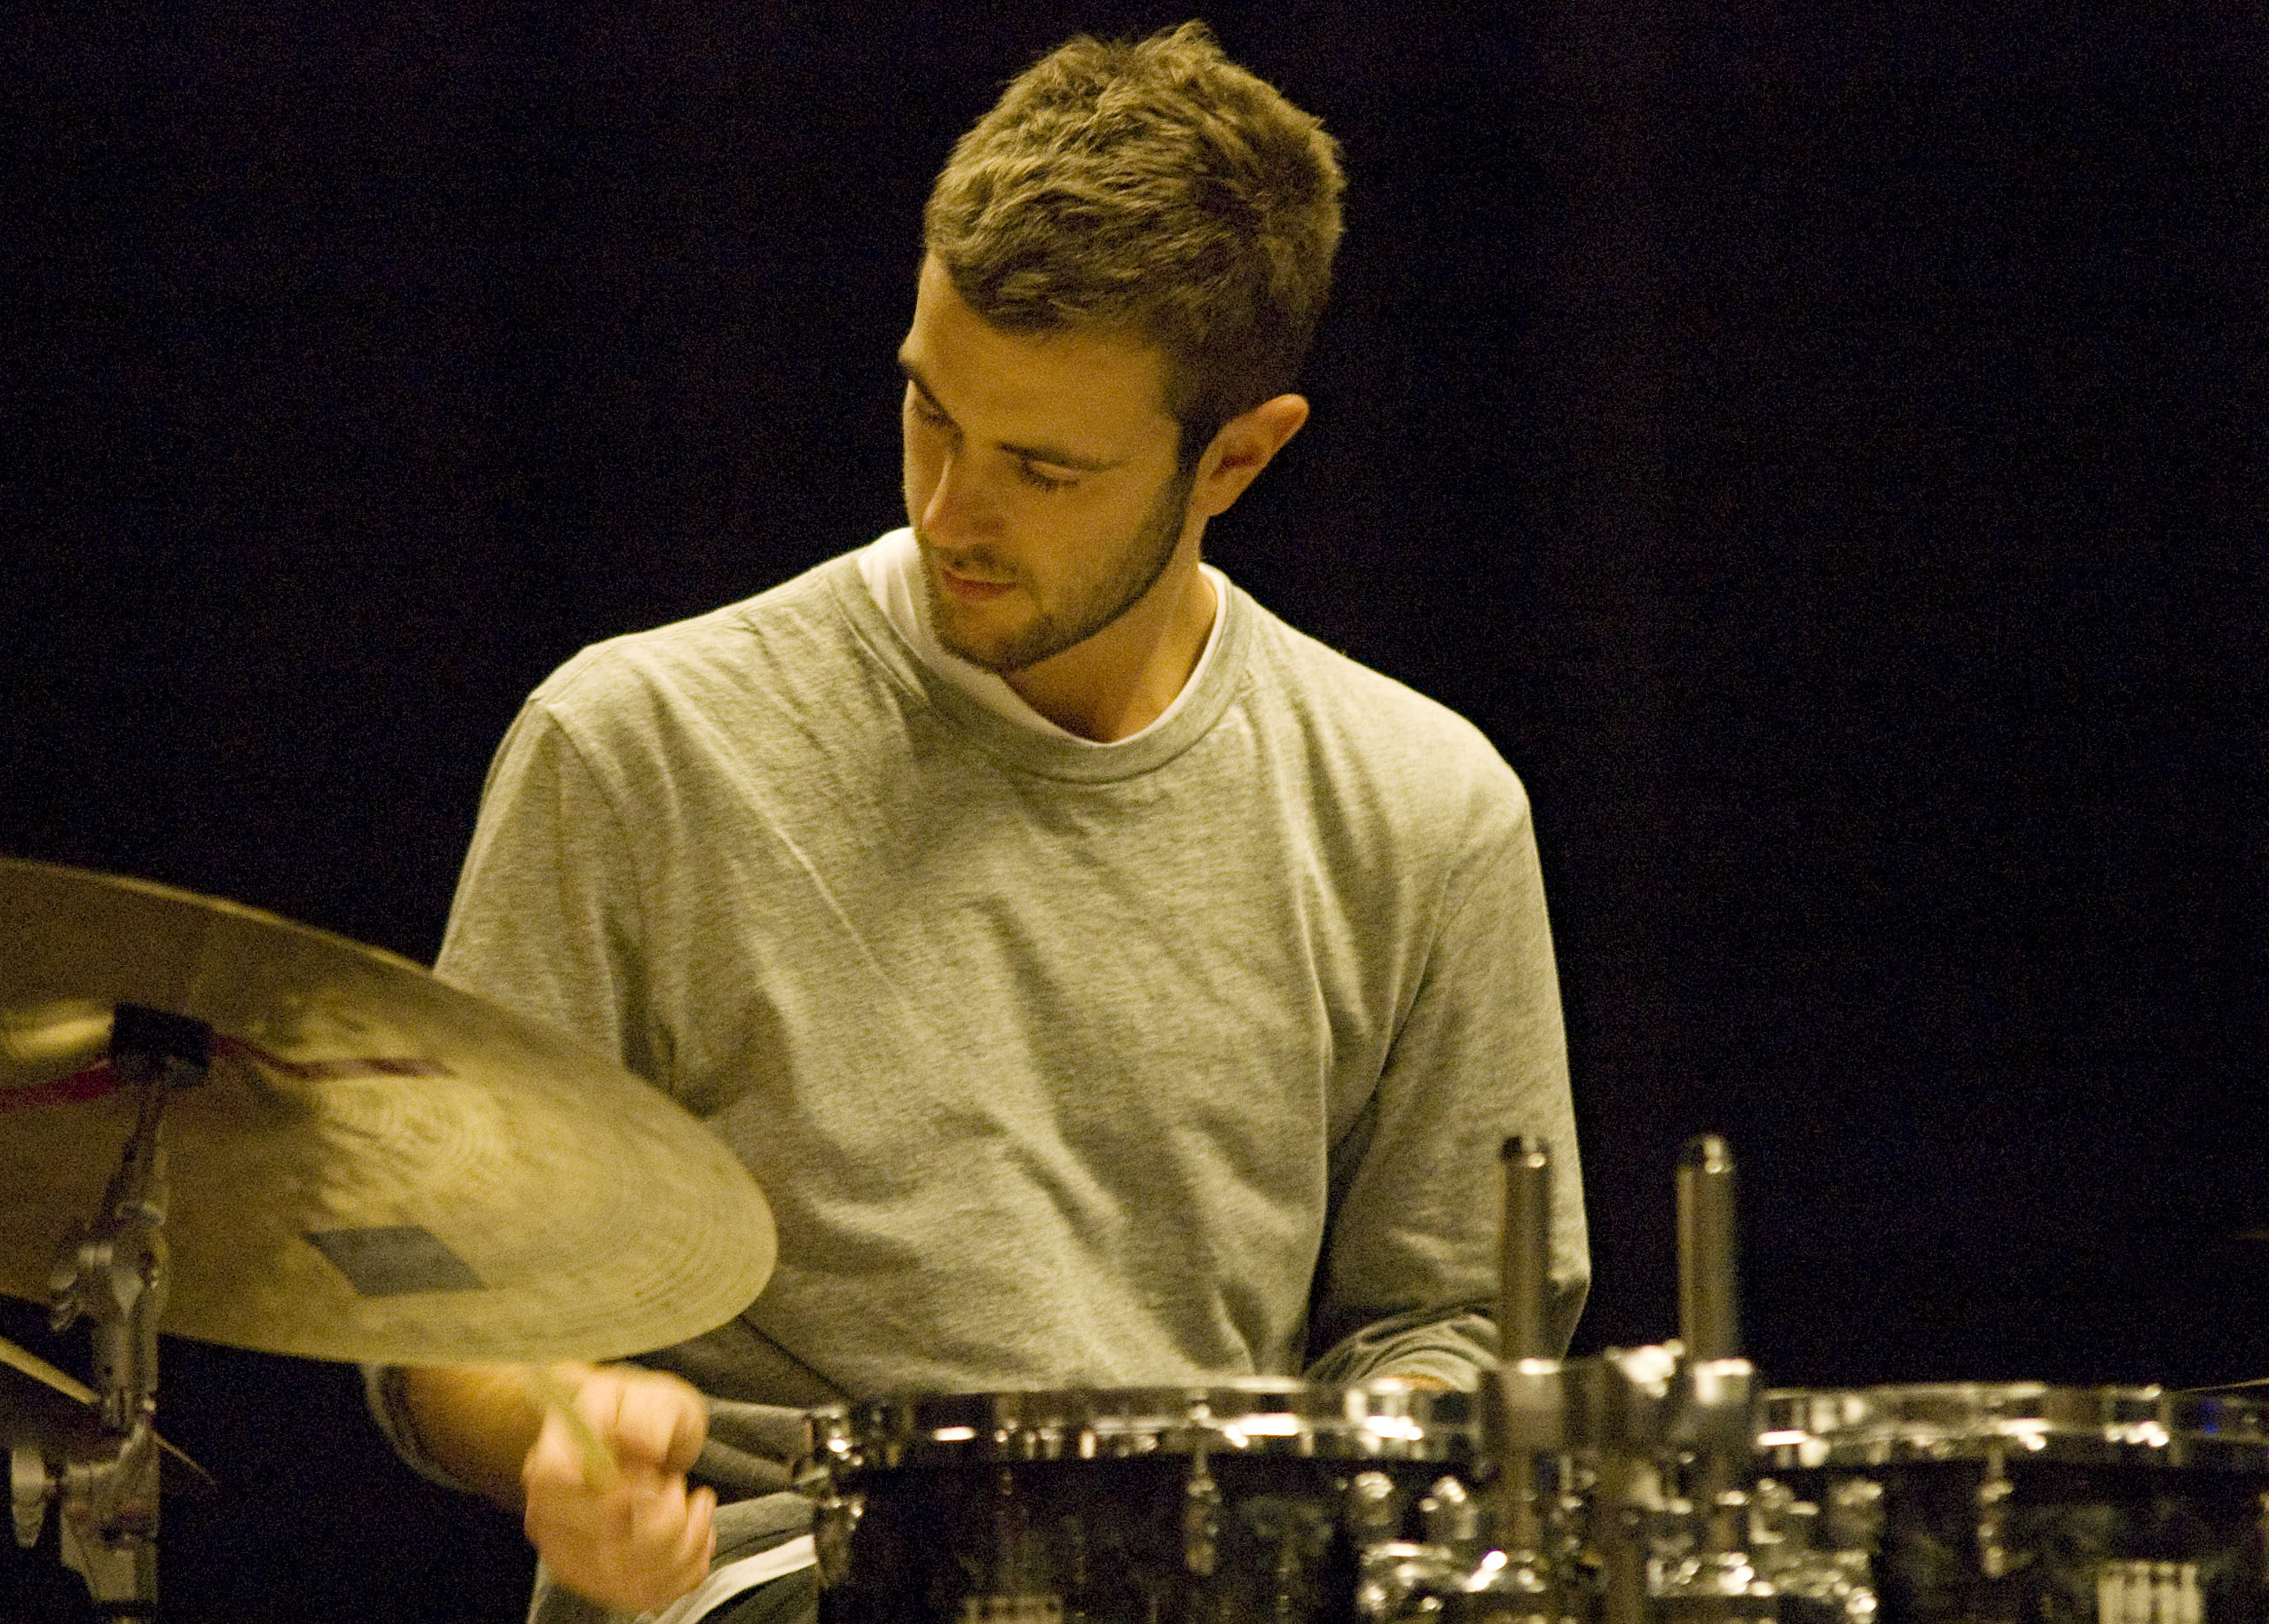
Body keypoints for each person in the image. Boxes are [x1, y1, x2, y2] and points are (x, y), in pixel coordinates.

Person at [368, 20, 1588, 1624]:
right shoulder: (637, 747)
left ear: (1238, 456)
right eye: (930, 413)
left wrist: (1345, 1478)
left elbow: (1452, 1322)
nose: (951, 508)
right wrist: (563, 1426)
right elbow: (433, 1297)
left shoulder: (1426, 809)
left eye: (1042, 466)